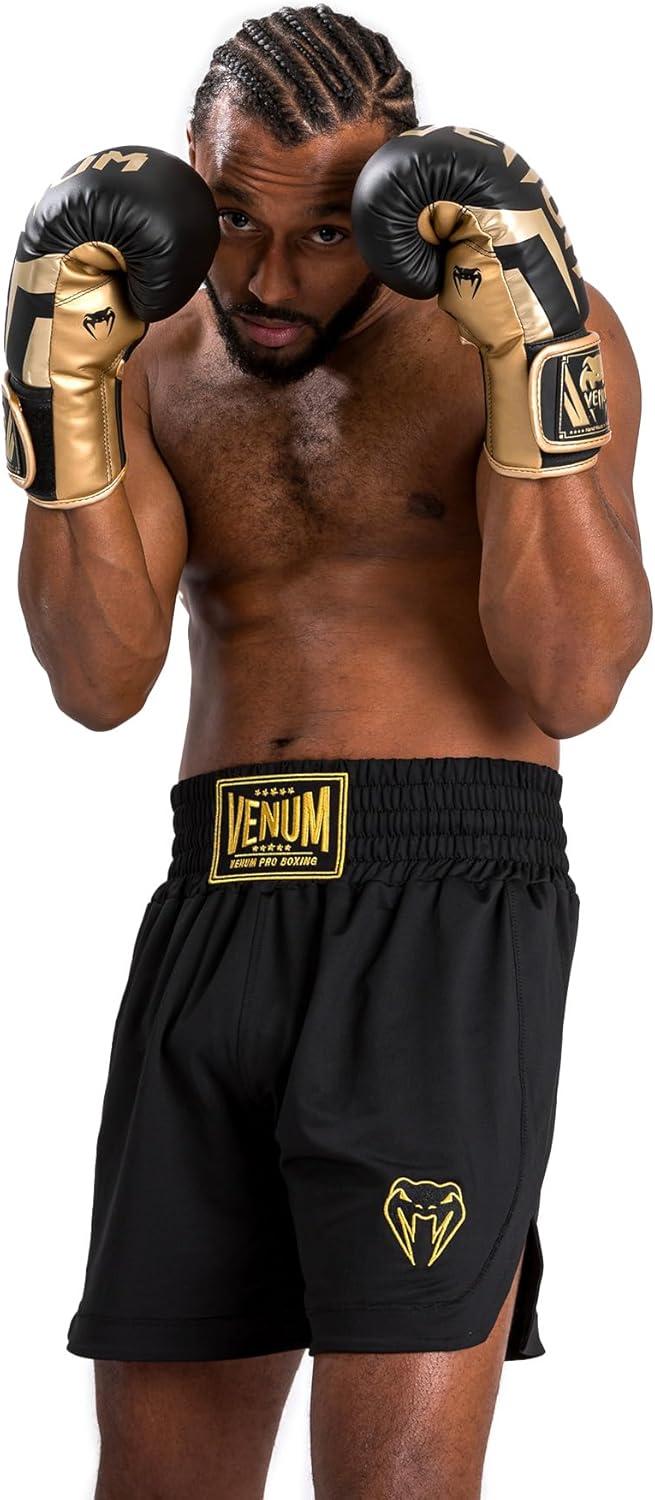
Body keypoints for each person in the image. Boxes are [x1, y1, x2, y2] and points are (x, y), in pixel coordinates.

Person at [5, 6, 650, 1498]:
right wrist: (59, 403)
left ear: (401, 203)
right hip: (215, 902)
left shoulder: (525, 332)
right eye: (232, 219)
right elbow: (98, 685)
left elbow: (577, 678)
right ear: (184, 181)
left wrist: (536, 356)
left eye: (323, 235)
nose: (268, 278)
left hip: (441, 901)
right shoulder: (148, 353)